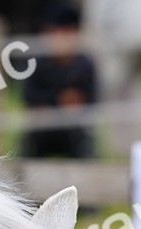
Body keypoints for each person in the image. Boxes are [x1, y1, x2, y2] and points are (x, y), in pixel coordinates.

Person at [22, 4, 97, 160]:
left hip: (73, 128)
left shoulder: (85, 64)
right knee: (30, 140)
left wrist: (77, 106)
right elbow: (28, 96)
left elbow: (92, 99)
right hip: (43, 127)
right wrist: (57, 101)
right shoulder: (36, 62)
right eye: (54, 32)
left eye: (65, 32)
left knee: (84, 141)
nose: (60, 39)